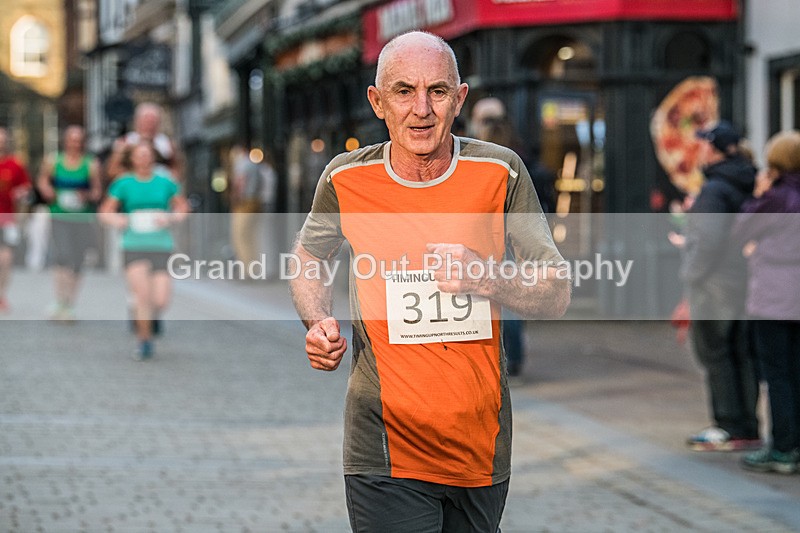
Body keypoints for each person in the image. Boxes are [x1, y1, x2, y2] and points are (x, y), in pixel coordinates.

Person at [289, 31, 570, 531]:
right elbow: (310, 255)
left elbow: (556, 291)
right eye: (404, 91)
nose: (421, 109)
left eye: (437, 91)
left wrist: (486, 278)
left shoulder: (500, 172)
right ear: (378, 102)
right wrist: (317, 320)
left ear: (460, 99)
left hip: (478, 442)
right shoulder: (345, 178)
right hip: (383, 442)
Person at [681, 121, 761, 451]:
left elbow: (710, 239)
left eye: (704, 144)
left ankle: (728, 425)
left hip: (714, 281)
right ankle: (746, 425)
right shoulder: (747, 179)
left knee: (715, 352)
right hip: (742, 277)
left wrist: (691, 274)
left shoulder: (715, 189)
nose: (699, 149)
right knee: (741, 353)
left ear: (713, 149)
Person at [732, 130, 800, 473]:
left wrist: (759, 194)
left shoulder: (775, 199)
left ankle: (784, 448)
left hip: (775, 298)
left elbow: (740, 229)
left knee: (778, 375)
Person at [98, 142, 190, 360]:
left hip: (161, 245)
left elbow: (182, 207)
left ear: (153, 157)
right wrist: (118, 219)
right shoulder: (123, 183)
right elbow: (105, 211)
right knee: (142, 296)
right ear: (133, 159)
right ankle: (144, 340)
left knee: (160, 300)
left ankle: (148, 319)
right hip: (133, 245)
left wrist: (171, 217)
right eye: (140, 155)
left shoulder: (166, 181)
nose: (144, 159)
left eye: (147, 155)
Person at [37, 125, 102, 321]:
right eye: (71, 139)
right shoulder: (53, 161)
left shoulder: (91, 164)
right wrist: (47, 190)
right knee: (62, 255)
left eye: (78, 139)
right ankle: (60, 299)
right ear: (65, 141)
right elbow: (42, 181)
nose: (75, 143)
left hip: (82, 218)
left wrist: (87, 195)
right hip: (59, 216)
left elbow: (97, 191)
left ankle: (70, 302)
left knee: (77, 260)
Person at [106, 102, 183, 182]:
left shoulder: (167, 145)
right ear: (137, 122)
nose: (149, 125)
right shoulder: (125, 142)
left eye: (153, 122)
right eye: (146, 121)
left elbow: (177, 171)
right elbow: (112, 171)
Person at [229, 143, 275, 275]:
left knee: (241, 237)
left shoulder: (242, 164)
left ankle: (247, 271)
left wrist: (235, 199)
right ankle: (254, 270)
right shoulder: (255, 166)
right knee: (252, 238)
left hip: (245, 204)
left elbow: (240, 183)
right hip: (255, 204)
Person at [0, 127, 32, 312]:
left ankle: (1, 294)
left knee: (5, 259)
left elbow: (27, 188)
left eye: (3, 140)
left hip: (8, 219)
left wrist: (21, 193)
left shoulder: (15, 164)